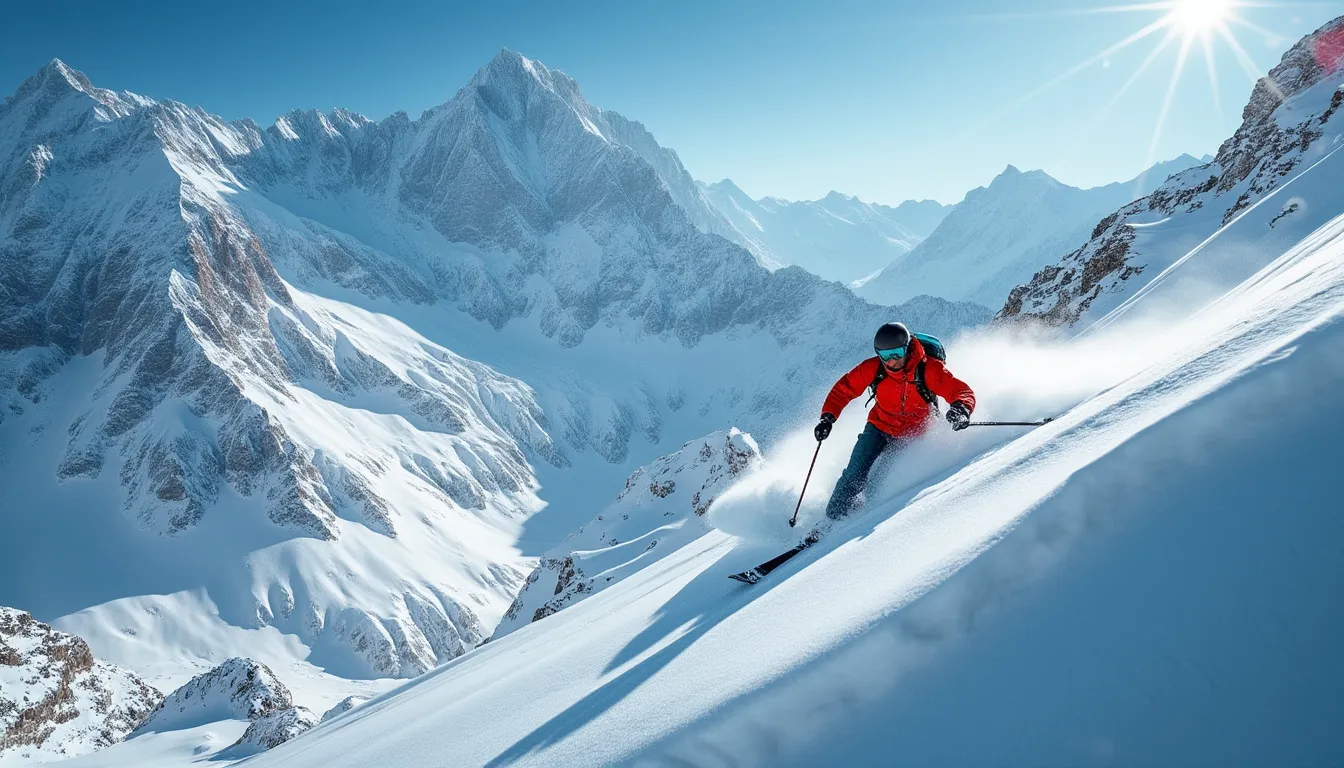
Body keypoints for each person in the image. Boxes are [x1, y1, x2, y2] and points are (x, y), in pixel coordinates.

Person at [814, 322, 976, 520]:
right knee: (854, 473)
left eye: (897, 353)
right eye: (885, 356)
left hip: (914, 434)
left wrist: (961, 408)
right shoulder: (873, 368)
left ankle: (864, 518)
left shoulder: (928, 370)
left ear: (907, 348)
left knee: (879, 483)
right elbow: (844, 389)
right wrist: (827, 418)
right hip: (879, 426)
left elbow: (961, 391)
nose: (891, 362)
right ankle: (831, 520)